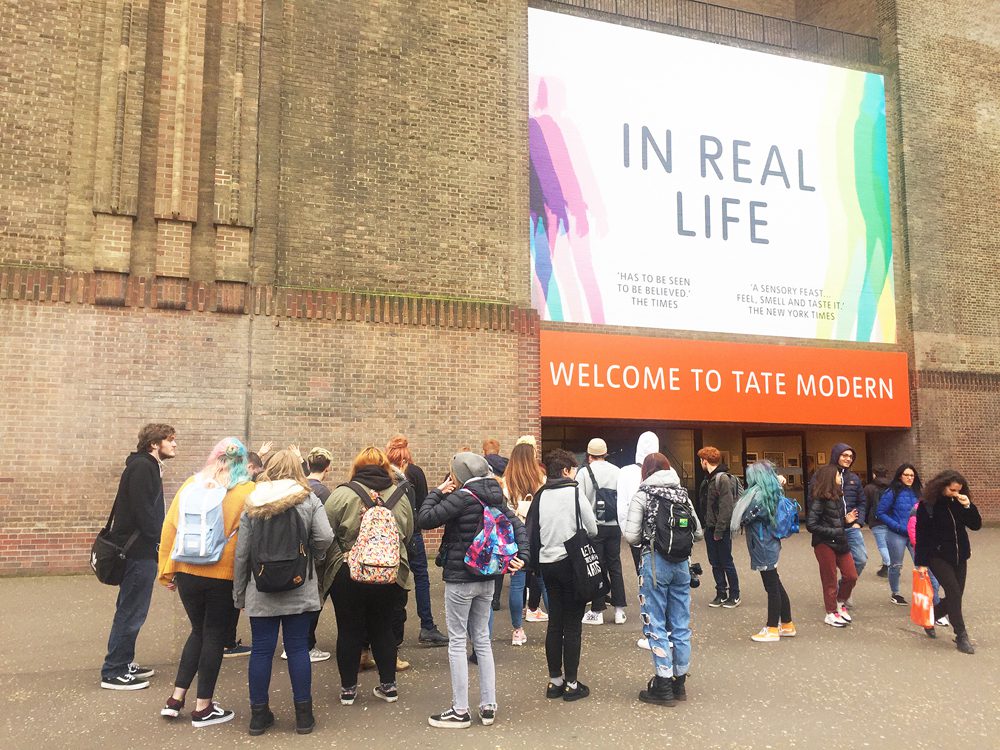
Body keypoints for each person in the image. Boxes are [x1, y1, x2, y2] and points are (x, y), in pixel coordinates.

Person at [418, 452, 528, 728]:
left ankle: (460, 710)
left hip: (460, 578)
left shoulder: (461, 497)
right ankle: (488, 706)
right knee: (482, 640)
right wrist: (522, 555)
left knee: (457, 641)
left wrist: (437, 491)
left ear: (460, 474)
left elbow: (425, 519)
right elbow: (518, 526)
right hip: (488, 577)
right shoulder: (495, 495)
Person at [233, 449, 334, 736]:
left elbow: (242, 553)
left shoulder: (253, 501)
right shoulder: (308, 499)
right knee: (298, 648)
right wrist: (312, 558)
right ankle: (303, 716)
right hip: (299, 584)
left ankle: (258, 716)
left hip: (260, 588)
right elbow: (325, 536)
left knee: (262, 650)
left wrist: (239, 593)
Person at [157, 437, 255, 727]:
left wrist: (166, 570)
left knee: (197, 631)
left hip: (187, 569)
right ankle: (203, 707)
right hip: (222, 573)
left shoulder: (191, 484)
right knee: (214, 634)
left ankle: (175, 699)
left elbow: (169, 526)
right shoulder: (248, 491)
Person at [322, 447, 414, 707]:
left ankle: (349, 690)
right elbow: (407, 532)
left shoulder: (342, 494)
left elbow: (325, 533)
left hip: (348, 571)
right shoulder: (400, 495)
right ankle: (388, 687)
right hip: (389, 572)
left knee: (349, 630)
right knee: (383, 628)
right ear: (386, 467)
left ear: (357, 467)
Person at [100, 423, 177, 691]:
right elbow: (145, 513)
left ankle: (123, 660)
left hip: (137, 550)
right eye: (170, 440)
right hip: (137, 552)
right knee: (132, 611)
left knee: (130, 608)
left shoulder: (143, 466)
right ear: (154, 444)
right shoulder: (144, 467)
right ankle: (114, 671)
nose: (174, 444)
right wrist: (163, 540)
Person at [623, 452, 702, 705]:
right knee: (680, 624)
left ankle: (663, 684)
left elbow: (632, 537)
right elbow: (698, 533)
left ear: (645, 471)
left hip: (655, 564)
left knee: (655, 622)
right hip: (681, 564)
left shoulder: (643, 495)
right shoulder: (683, 496)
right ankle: (680, 683)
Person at [526, 449, 598, 703]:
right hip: (571, 564)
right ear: (566, 471)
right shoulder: (575, 492)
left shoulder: (540, 495)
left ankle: (554, 680)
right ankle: (571, 684)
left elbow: (531, 531)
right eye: (574, 469)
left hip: (547, 565)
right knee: (573, 625)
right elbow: (592, 527)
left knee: (554, 623)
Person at [386, 435, 449, 647]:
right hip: (413, 535)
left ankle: (392, 630)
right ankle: (427, 626)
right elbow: (423, 506)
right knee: (421, 578)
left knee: (392, 580)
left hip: (389, 536)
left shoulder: (384, 474)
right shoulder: (416, 473)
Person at [914, 471, 982, 654]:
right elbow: (921, 536)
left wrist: (969, 506)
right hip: (938, 556)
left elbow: (976, 525)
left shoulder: (959, 503)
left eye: (959, 490)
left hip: (961, 556)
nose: (956, 493)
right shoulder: (927, 506)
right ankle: (961, 635)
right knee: (953, 591)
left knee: (956, 594)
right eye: (952, 489)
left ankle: (931, 616)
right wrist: (921, 563)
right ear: (941, 486)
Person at [732, 461, 794, 643]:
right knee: (776, 582)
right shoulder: (770, 491)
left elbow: (745, 517)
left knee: (771, 587)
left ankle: (772, 628)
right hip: (769, 543)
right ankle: (788, 624)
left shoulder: (758, 495)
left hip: (763, 545)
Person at [503, 440, 548, 645]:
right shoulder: (541, 480)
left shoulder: (506, 482)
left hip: (515, 537)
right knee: (544, 582)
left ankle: (517, 631)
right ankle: (556, 628)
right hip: (538, 536)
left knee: (517, 584)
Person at [578, 438, 626, 626]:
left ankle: (597, 610)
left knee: (595, 566)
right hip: (614, 525)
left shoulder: (583, 472)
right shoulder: (617, 471)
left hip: (594, 526)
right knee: (615, 564)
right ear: (605, 454)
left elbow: (579, 500)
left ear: (589, 456)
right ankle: (619, 610)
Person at [805, 464, 858, 628]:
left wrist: (845, 522)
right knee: (830, 579)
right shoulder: (819, 498)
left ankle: (840, 603)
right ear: (830, 478)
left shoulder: (838, 497)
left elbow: (836, 522)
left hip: (840, 541)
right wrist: (833, 530)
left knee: (851, 575)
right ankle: (830, 612)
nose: (840, 478)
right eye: (837, 476)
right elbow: (811, 525)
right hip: (824, 543)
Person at [296, 447, 335, 663]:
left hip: (295, 554)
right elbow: (325, 530)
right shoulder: (323, 493)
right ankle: (307, 645)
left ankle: (295, 643)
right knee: (315, 600)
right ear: (327, 469)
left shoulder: (299, 487)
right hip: (314, 555)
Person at [696, 446, 740, 608]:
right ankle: (721, 593)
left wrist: (719, 530)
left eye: (701, 460)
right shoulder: (709, 479)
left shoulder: (722, 479)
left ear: (705, 461)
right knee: (715, 562)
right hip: (711, 527)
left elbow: (726, 507)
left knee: (726, 561)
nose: (700, 463)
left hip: (720, 528)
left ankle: (734, 594)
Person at [876, 464, 923, 606]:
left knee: (921, 563)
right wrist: (897, 526)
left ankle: (923, 593)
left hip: (915, 533)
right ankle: (895, 593)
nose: (909, 478)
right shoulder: (892, 492)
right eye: (906, 475)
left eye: (912, 476)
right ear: (900, 476)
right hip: (897, 533)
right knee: (896, 565)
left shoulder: (918, 493)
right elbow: (880, 512)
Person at [825, 444, 868, 592]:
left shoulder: (854, 479)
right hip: (831, 529)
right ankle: (835, 598)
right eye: (844, 455)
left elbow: (862, 502)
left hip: (851, 528)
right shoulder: (823, 476)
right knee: (830, 567)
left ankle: (844, 587)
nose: (848, 459)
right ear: (836, 455)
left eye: (850, 456)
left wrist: (859, 522)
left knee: (861, 559)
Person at [617, 431, 659, 576]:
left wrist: (628, 534)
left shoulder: (625, 472)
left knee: (642, 572)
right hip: (663, 533)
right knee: (661, 572)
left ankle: (645, 597)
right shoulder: (668, 470)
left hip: (637, 533)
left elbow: (622, 508)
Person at [863, 465, 891, 578]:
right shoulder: (892, 487)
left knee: (882, 545)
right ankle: (886, 566)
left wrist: (864, 520)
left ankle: (889, 566)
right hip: (891, 519)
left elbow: (865, 505)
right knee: (889, 544)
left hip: (877, 520)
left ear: (874, 474)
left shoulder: (869, 488)